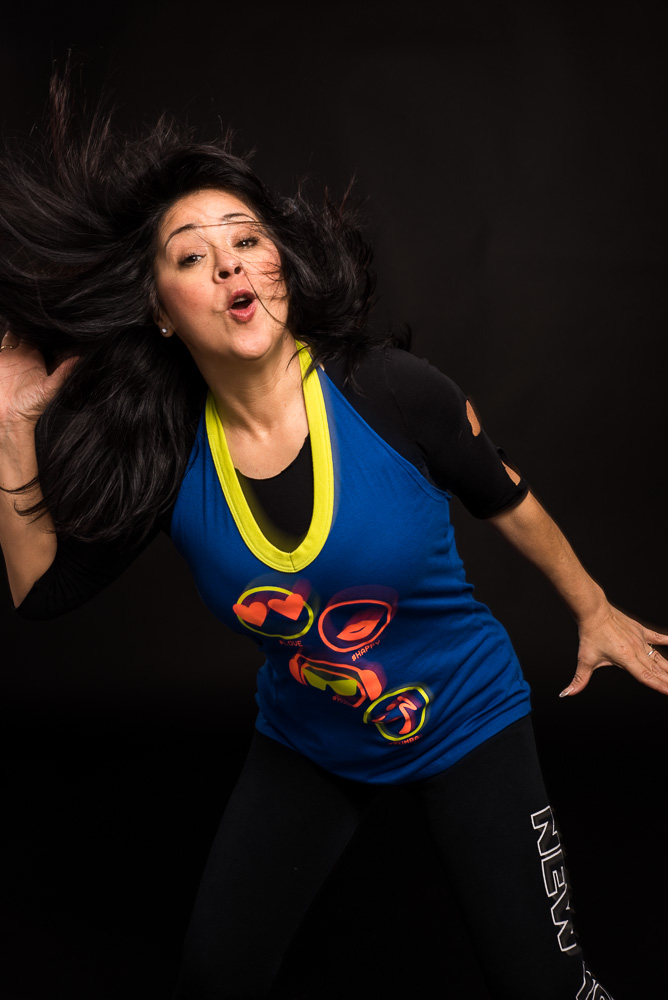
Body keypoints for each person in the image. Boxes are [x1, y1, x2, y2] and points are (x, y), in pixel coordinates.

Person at [1, 82, 666, 1000]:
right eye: (192, 255)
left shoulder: (391, 390)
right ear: (160, 309)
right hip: (311, 738)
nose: (229, 265)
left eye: (246, 240)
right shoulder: (168, 458)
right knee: (215, 978)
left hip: (466, 716)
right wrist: (14, 429)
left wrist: (592, 608)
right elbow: (42, 592)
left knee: (544, 988)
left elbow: (504, 495)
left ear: (278, 264)